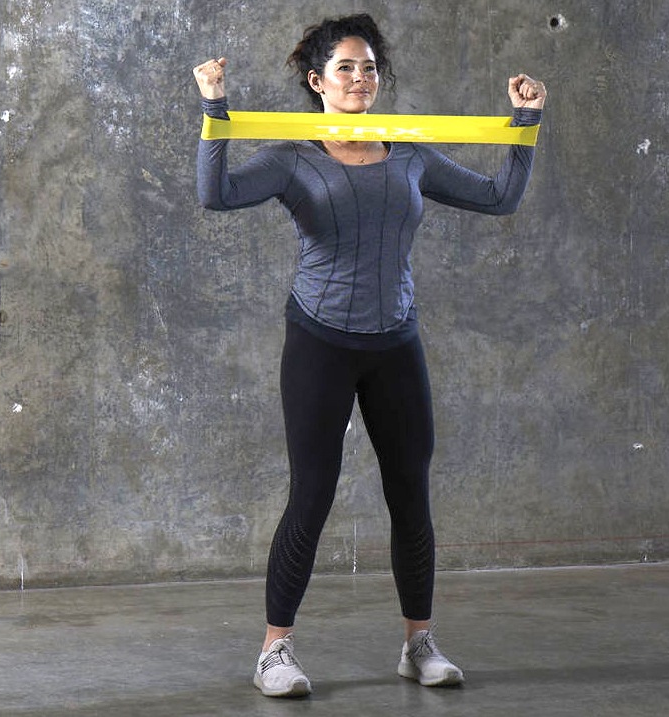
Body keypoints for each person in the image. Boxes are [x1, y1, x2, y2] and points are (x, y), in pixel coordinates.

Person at [193, 13, 545, 698]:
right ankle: (273, 652)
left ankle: (419, 643)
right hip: (319, 340)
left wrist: (525, 122)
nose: (360, 78)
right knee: (312, 494)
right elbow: (217, 194)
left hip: (395, 341)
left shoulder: (410, 152)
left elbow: (500, 197)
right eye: (346, 68)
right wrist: (215, 109)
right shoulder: (293, 156)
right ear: (316, 80)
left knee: (410, 493)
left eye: (370, 68)